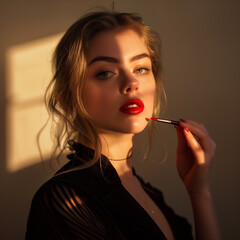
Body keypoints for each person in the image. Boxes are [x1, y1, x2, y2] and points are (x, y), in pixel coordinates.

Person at [25, 11, 222, 240]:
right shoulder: (65, 200)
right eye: (106, 73)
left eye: (141, 68)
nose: (131, 83)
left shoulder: (147, 191)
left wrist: (199, 192)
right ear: (69, 94)